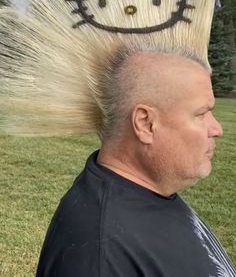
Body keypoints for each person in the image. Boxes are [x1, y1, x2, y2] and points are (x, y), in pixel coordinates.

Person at [36, 49, 235, 277]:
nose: (217, 129)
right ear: (146, 124)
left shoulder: (150, 190)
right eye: (201, 114)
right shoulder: (100, 257)